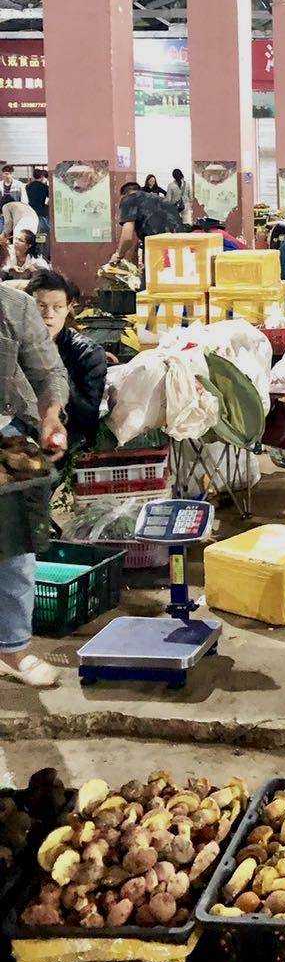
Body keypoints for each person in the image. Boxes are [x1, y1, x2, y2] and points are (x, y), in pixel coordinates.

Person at [0, 280, 67, 687]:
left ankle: (12, 647)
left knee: (13, 541)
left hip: (2, 429)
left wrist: (50, 417)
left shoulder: (15, 306)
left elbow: (47, 372)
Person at [28, 270, 106, 452]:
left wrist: (55, 366)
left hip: (67, 439)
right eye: (41, 306)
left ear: (68, 307)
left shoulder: (88, 354)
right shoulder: (17, 346)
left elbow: (87, 417)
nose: (49, 314)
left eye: (57, 307)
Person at [114, 181, 182, 264]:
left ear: (123, 195)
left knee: (154, 275)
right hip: (181, 248)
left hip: (158, 249)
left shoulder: (128, 199)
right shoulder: (159, 199)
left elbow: (127, 237)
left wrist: (118, 256)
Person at [25, 170, 48, 236]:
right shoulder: (44, 187)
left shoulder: (28, 186)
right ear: (42, 177)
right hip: (41, 211)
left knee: (33, 230)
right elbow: (50, 196)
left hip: (30, 210)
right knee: (44, 230)